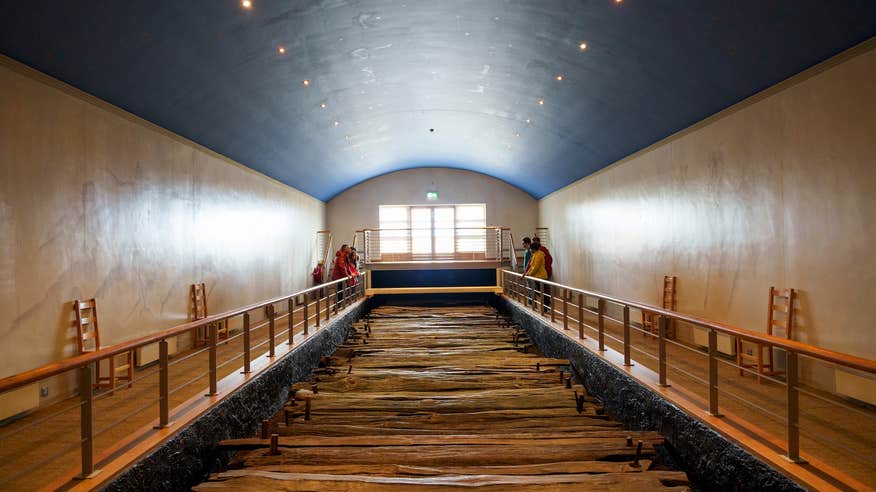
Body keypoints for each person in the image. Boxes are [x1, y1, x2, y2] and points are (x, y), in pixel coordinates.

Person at [521, 241, 549, 310]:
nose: (530, 250)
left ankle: (546, 306)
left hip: (541, 276)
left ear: (533, 249)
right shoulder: (535, 255)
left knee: (542, 292)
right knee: (539, 292)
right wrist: (526, 273)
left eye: (530, 249)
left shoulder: (539, 255)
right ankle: (546, 305)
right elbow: (531, 266)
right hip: (536, 277)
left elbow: (536, 267)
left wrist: (529, 274)